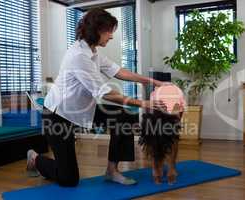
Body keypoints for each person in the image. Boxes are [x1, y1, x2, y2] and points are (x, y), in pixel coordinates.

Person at [26, 8, 170, 187]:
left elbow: (120, 72)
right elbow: (106, 94)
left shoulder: (93, 52)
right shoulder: (79, 56)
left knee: (122, 117)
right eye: (109, 31)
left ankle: (112, 171)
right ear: (96, 30)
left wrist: (153, 82)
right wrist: (144, 103)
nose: (111, 36)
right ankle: (35, 159)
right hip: (58, 115)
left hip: (82, 109)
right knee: (68, 179)